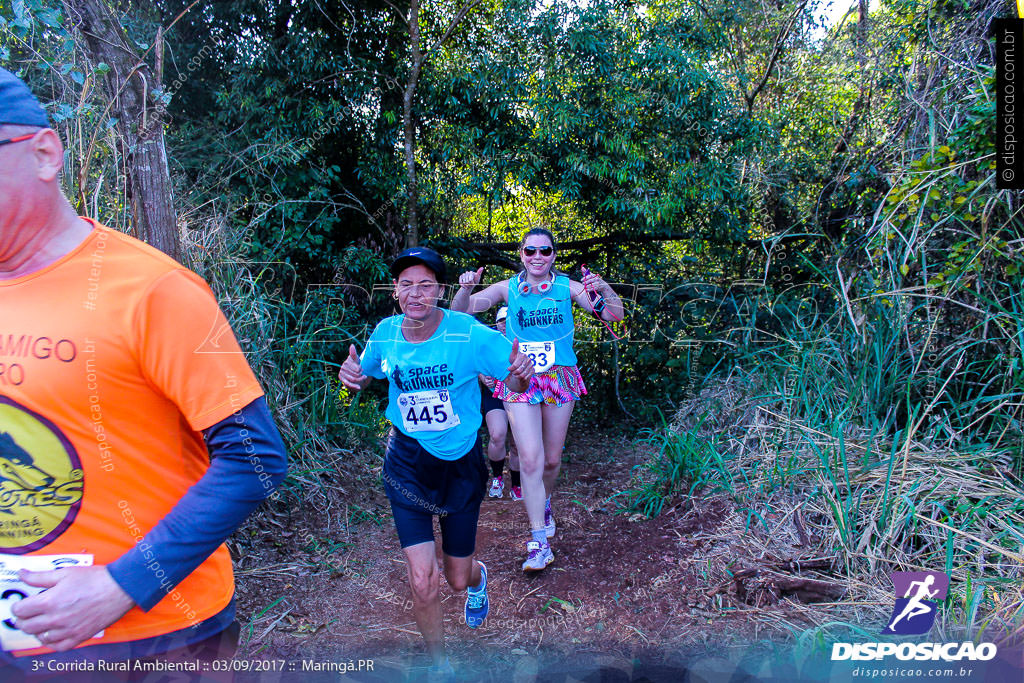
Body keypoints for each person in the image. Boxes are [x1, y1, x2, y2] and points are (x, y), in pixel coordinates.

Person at [0, 67, 287, 677]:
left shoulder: (157, 290)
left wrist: (122, 586)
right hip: (18, 636)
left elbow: (256, 458)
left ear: (45, 153)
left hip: (151, 639)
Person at [338, 247, 532, 677]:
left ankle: (478, 582)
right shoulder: (385, 333)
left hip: (459, 468)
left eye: (425, 284)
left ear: (440, 290)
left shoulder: (468, 333)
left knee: (455, 579)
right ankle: (439, 665)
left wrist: (520, 368)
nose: (415, 293)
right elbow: (366, 373)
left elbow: (515, 377)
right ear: (395, 290)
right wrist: (352, 376)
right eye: (406, 284)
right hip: (407, 465)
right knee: (423, 581)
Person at [452, 228, 623, 572]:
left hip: (559, 377)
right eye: (530, 251)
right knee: (530, 458)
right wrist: (466, 287)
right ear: (521, 254)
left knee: (550, 461)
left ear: (554, 256)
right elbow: (463, 310)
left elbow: (613, 314)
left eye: (545, 251)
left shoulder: (567, 287)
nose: (537, 257)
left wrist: (602, 287)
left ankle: (544, 502)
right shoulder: (507, 288)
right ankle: (538, 542)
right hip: (521, 377)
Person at [480, 307, 522, 500]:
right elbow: (474, 362)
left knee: (516, 443)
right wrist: (482, 376)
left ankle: (517, 484)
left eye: (508, 321)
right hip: (494, 393)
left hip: (519, 393)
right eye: (501, 321)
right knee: (497, 435)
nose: (504, 325)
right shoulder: (489, 341)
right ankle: (497, 477)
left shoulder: (524, 340)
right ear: (496, 323)